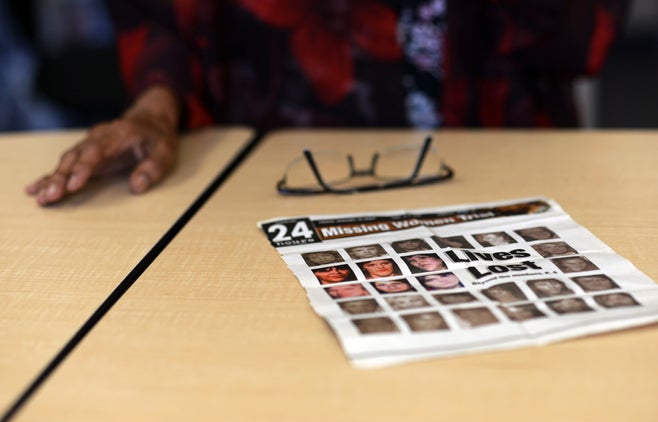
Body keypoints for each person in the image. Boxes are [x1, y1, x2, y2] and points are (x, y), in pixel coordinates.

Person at [25, 0, 630, 206]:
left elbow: (582, 35)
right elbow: (162, 16)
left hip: (500, 171)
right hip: (260, 189)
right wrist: (156, 109)